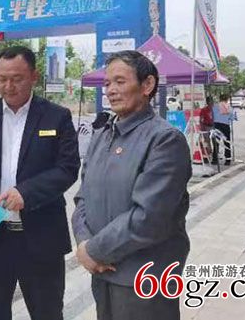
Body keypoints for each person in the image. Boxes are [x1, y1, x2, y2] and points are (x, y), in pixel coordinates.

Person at [0, 46, 81, 320]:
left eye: (17, 79)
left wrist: (26, 193)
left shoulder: (56, 117)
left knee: (47, 312)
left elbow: (67, 168)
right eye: (2, 79)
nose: (8, 86)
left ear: (34, 76)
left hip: (40, 237)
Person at [71, 50, 192, 320]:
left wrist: (94, 250)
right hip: (102, 273)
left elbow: (150, 217)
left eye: (120, 81)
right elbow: (82, 199)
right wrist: (83, 243)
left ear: (147, 85)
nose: (111, 90)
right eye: (107, 83)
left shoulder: (165, 140)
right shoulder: (101, 136)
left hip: (144, 279)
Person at [212, 94, 236, 165]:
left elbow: (212, 115)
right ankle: (228, 160)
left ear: (220, 99)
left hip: (217, 125)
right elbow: (233, 118)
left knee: (216, 143)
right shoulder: (229, 107)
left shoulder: (215, 106)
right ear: (227, 99)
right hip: (225, 125)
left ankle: (215, 159)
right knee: (227, 142)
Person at [199, 96, 215, 162]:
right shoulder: (204, 110)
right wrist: (202, 128)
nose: (211, 103)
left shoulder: (214, 109)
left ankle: (214, 155)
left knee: (215, 141)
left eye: (212, 101)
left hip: (213, 127)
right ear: (207, 102)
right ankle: (207, 156)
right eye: (210, 101)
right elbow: (201, 119)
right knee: (206, 142)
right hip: (206, 127)